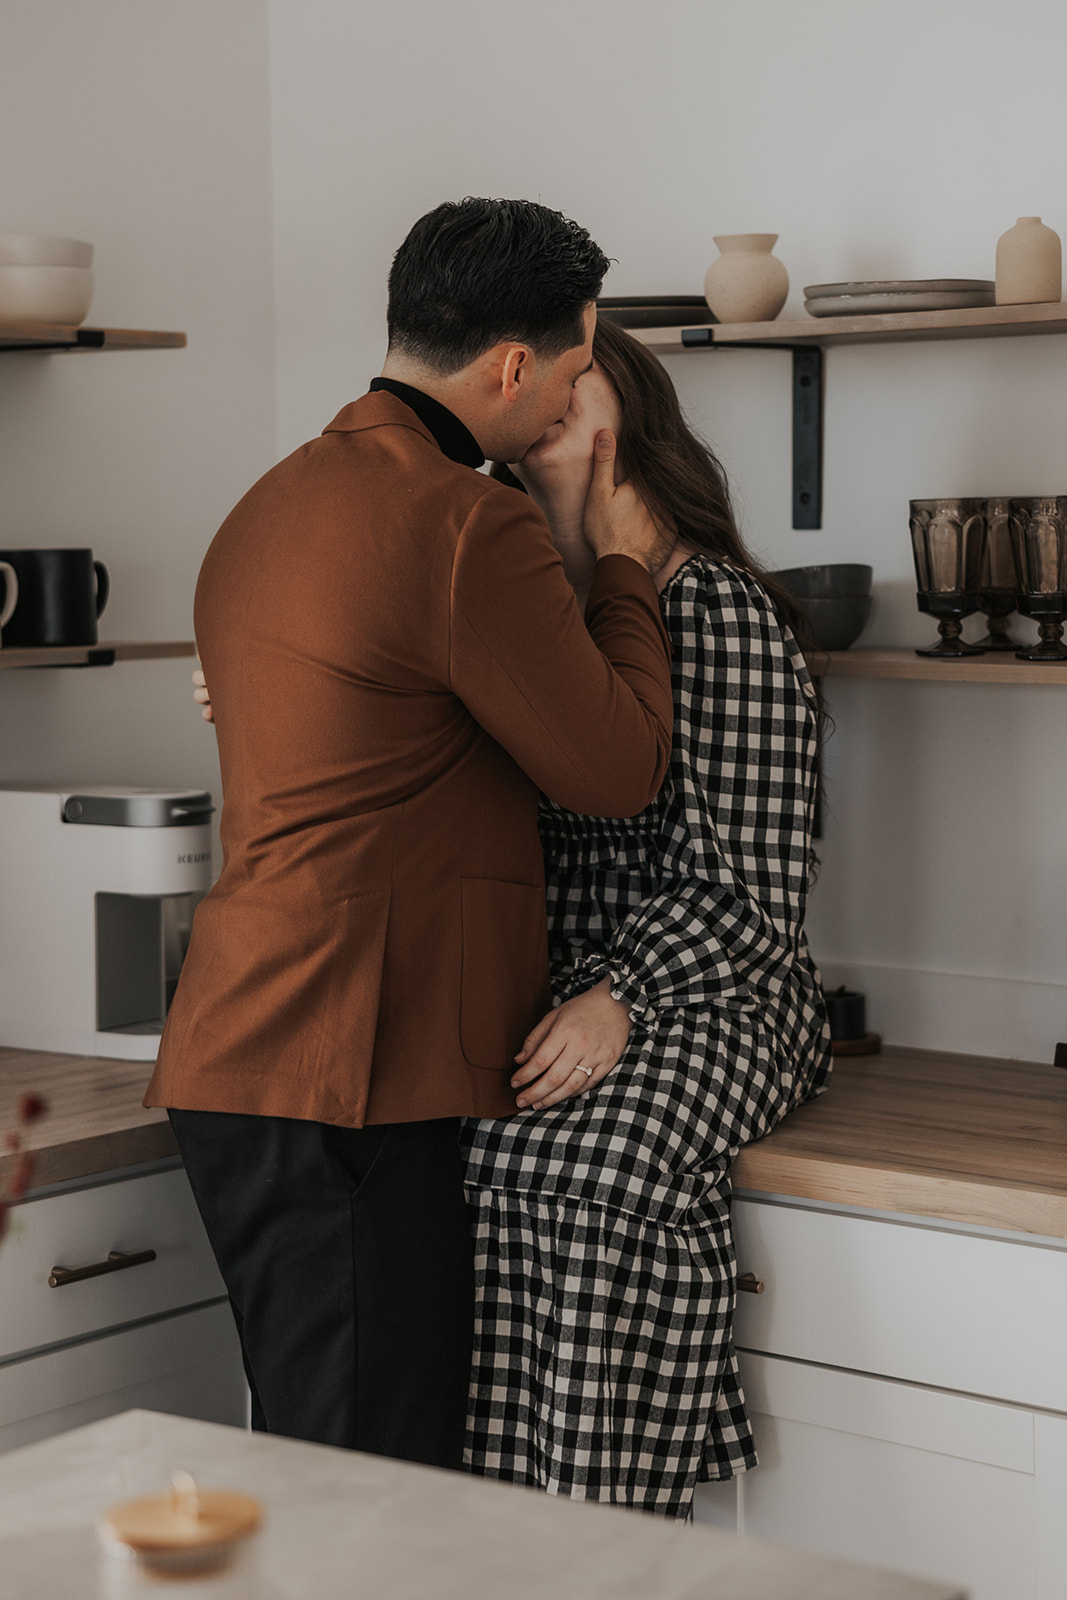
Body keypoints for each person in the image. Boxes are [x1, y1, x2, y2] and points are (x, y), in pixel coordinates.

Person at [147, 198, 677, 1473]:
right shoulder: (459, 522)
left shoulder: (268, 502)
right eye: (564, 371)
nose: (563, 406)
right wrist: (617, 562)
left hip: (249, 1054)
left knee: (327, 1467)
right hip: (345, 1077)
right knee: (367, 1495)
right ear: (510, 366)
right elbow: (616, 770)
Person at [458, 317, 832, 1518]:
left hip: (718, 989)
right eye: (543, 399)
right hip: (560, 990)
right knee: (467, 1153)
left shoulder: (711, 610)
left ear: (636, 437)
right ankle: (502, 1527)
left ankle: (601, 1518)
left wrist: (621, 994)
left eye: (577, 395)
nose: (548, 412)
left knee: (589, 1159)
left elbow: (753, 887)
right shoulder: (524, 615)